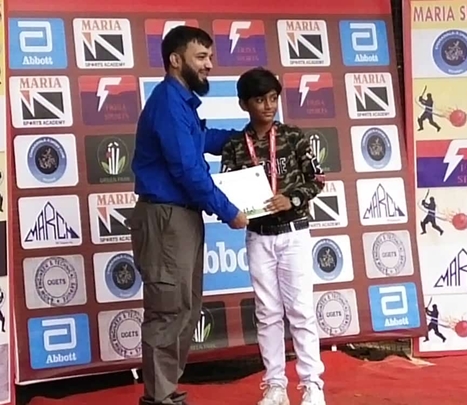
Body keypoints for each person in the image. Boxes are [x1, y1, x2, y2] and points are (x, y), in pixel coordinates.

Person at [129, 26, 249, 405]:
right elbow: (187, 169)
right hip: (166, 218)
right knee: (168, 310)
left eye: (210, 57)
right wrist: (228, 210)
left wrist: (247, 137)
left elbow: (201, 140)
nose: (209, 65)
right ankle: (159, 399)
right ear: (175, 60)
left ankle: (165, 393)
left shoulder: (180, 103)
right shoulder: (168, 102)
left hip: (180, 218)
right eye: (201, 57)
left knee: (185, 306)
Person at [220, 67, 326, 405]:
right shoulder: (235, 146)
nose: (268, 106)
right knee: (267, 313)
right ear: (243, 104)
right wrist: (232, 211)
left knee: (301, 311)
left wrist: (291, 199)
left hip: (294, 232)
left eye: (272, 98)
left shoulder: (293, 136)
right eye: (259, 100)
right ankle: (275, 386)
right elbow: (227, 188)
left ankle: (312, 385)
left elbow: (317, 179)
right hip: (258, 235)